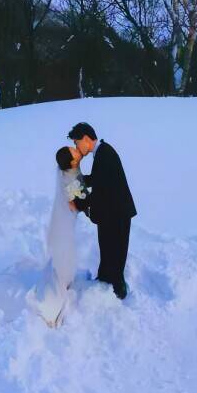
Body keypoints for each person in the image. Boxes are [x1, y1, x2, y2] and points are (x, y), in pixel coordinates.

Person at [68, 122, 136, 300]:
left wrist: (79, 204)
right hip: (109, 213)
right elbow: (98, 180)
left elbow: (100, 189)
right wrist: (78, 179)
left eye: (76, 142)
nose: (76, 147)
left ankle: (118, 292)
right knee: (106, 250)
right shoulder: (102, 152)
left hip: (118, 212)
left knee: (116, 253)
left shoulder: (105, 154)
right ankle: (104, 282)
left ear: (86, 139)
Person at [29, 145, 89, 327]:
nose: (78, 151)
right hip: (64, 227)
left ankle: (63, 283)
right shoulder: (70, 178)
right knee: (64, 263)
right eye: (75, 152)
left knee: (63, 261)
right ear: (72, 162)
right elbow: (75, 204)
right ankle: (51, 303)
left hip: (60, 224)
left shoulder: (66, 170)